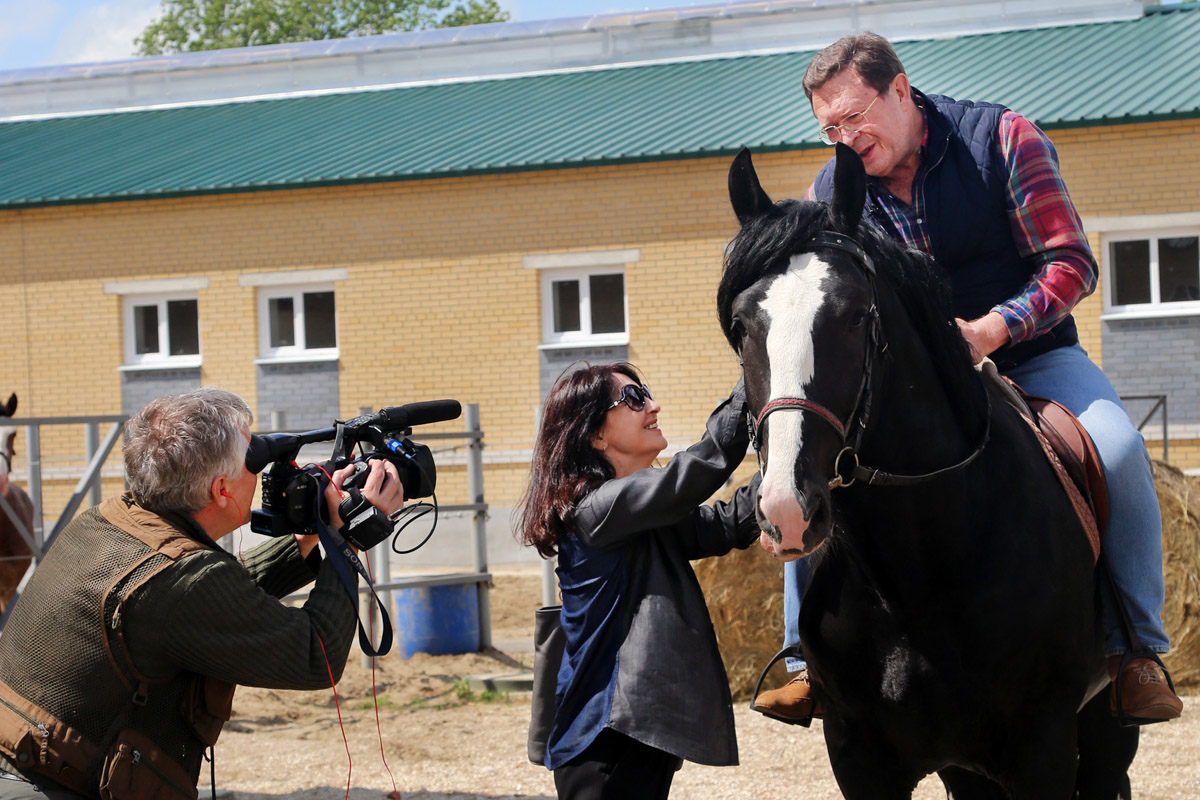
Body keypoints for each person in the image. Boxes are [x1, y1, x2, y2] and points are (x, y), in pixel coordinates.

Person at [751, 31, 1182, 726]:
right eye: (829, 127)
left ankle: (1135, 649)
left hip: (1032, 356)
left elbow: (1071, 264)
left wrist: (990, 329)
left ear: (900, 89)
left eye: (856, 117)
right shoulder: (833, 188)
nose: (846, 138)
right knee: (816, 470)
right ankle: (806, 661)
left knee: (1122, 449)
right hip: (914, 386)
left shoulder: (1005, 139)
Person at [0, 387, 403, 799]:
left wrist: (305, 538)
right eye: (254, 457)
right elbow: (315, 655)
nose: (261, 470)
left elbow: (208, 601)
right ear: (221, 490)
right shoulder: (178, 580)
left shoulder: (106, 522)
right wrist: (348, 536)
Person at [518, 363, 760, 799]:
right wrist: (755, 375)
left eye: (645, 393)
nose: (653, 405)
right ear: (596, 436)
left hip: (630, 741)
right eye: (633, 399)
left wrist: (801, 464)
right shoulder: (597, 508)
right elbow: (696, 471)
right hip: (605, 749)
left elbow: (725, 525)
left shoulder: (636, 514)